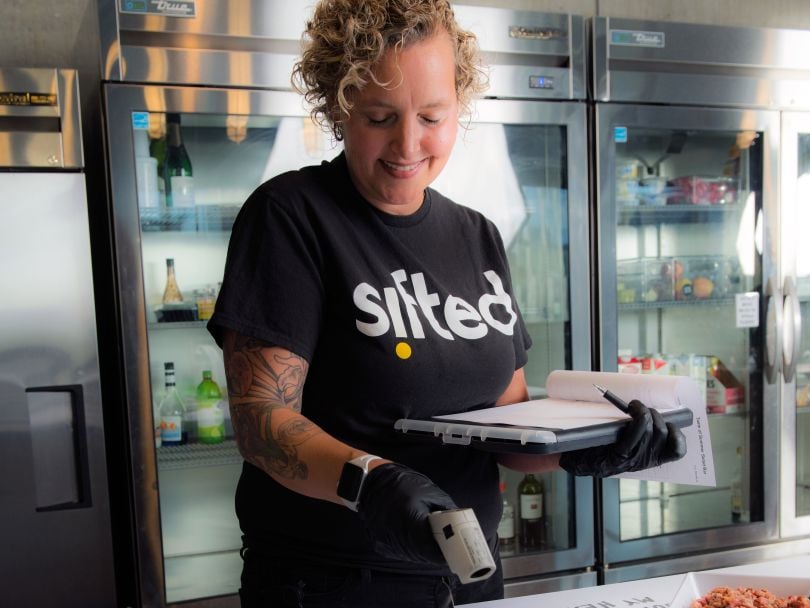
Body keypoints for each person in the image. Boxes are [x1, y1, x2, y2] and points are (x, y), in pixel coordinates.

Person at [207, 1, 687, 606]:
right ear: (339, 107)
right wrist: (370, 481)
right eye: (380, 116)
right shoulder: (291, 216)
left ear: (459, 109)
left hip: (470, 574)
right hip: (332, 583)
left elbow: (507, 428)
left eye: (432, 116)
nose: (408, 143)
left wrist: (591, 448)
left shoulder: (477, 235)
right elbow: (260, 421)